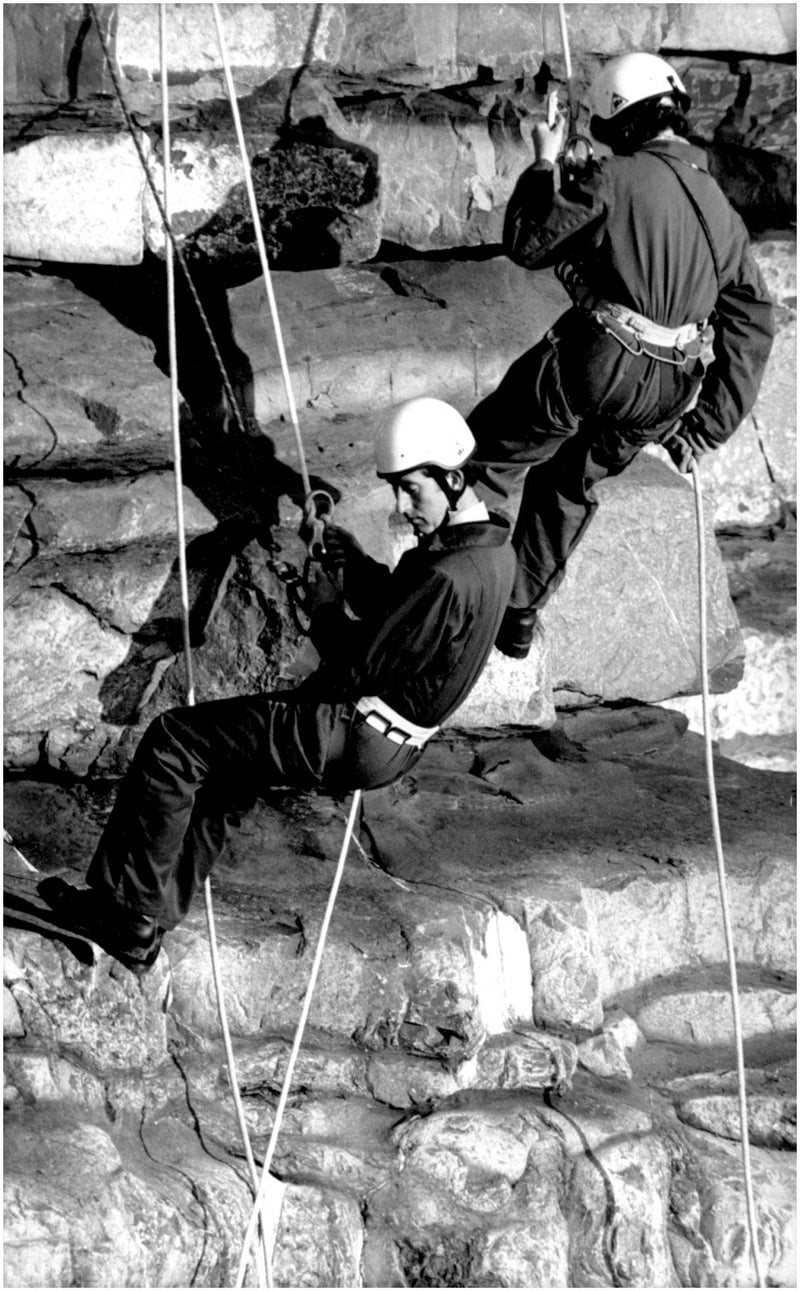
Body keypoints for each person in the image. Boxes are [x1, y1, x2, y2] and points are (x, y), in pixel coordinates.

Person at [57, 397, 516, 974]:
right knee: (226, 769)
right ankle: (141, 912)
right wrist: (354, 564)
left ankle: (126, 915)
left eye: (410, 489)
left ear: (452, 479)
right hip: (387, 738)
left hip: (352, 729)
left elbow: (358, 663)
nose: (401, 506)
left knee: (175, 741)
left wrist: (322, 603)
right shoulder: (491, 551)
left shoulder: (450, 574)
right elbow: (410, 617)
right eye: (395, 489)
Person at [468, 51, 775, 659]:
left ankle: (449, 589)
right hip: (667, 393)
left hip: (598, 360)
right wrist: (703, 427)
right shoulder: (722, 210)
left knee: (489, 454)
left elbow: (529, 243)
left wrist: (544, 163)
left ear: (621, 120)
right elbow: (753, 324)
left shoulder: (614, 178)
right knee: (568, 485)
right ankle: (518, 615)